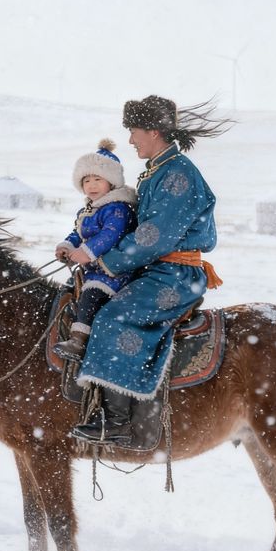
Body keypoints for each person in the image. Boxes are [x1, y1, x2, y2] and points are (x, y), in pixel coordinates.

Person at [73, 95, 226, 444]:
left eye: (133, 132)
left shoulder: (177, 176)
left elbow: (152, 237)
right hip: (156, 269)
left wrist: (104, 261)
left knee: (114, 317)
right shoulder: (158, 170)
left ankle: (118, 423)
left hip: (174, 275)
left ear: (153, 131)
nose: (129, 140)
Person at [54, 139, 137, 361]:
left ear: (111, 182)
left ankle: (78, 341)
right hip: (92, 269)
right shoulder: (88, 210)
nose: (91, 185)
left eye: (97, 179)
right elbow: (77, 233)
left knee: (91, 295)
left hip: (112, 270)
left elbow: (110, 235)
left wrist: (87, 252)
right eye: (86, 180)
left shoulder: (117, 208)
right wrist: (67, 246)